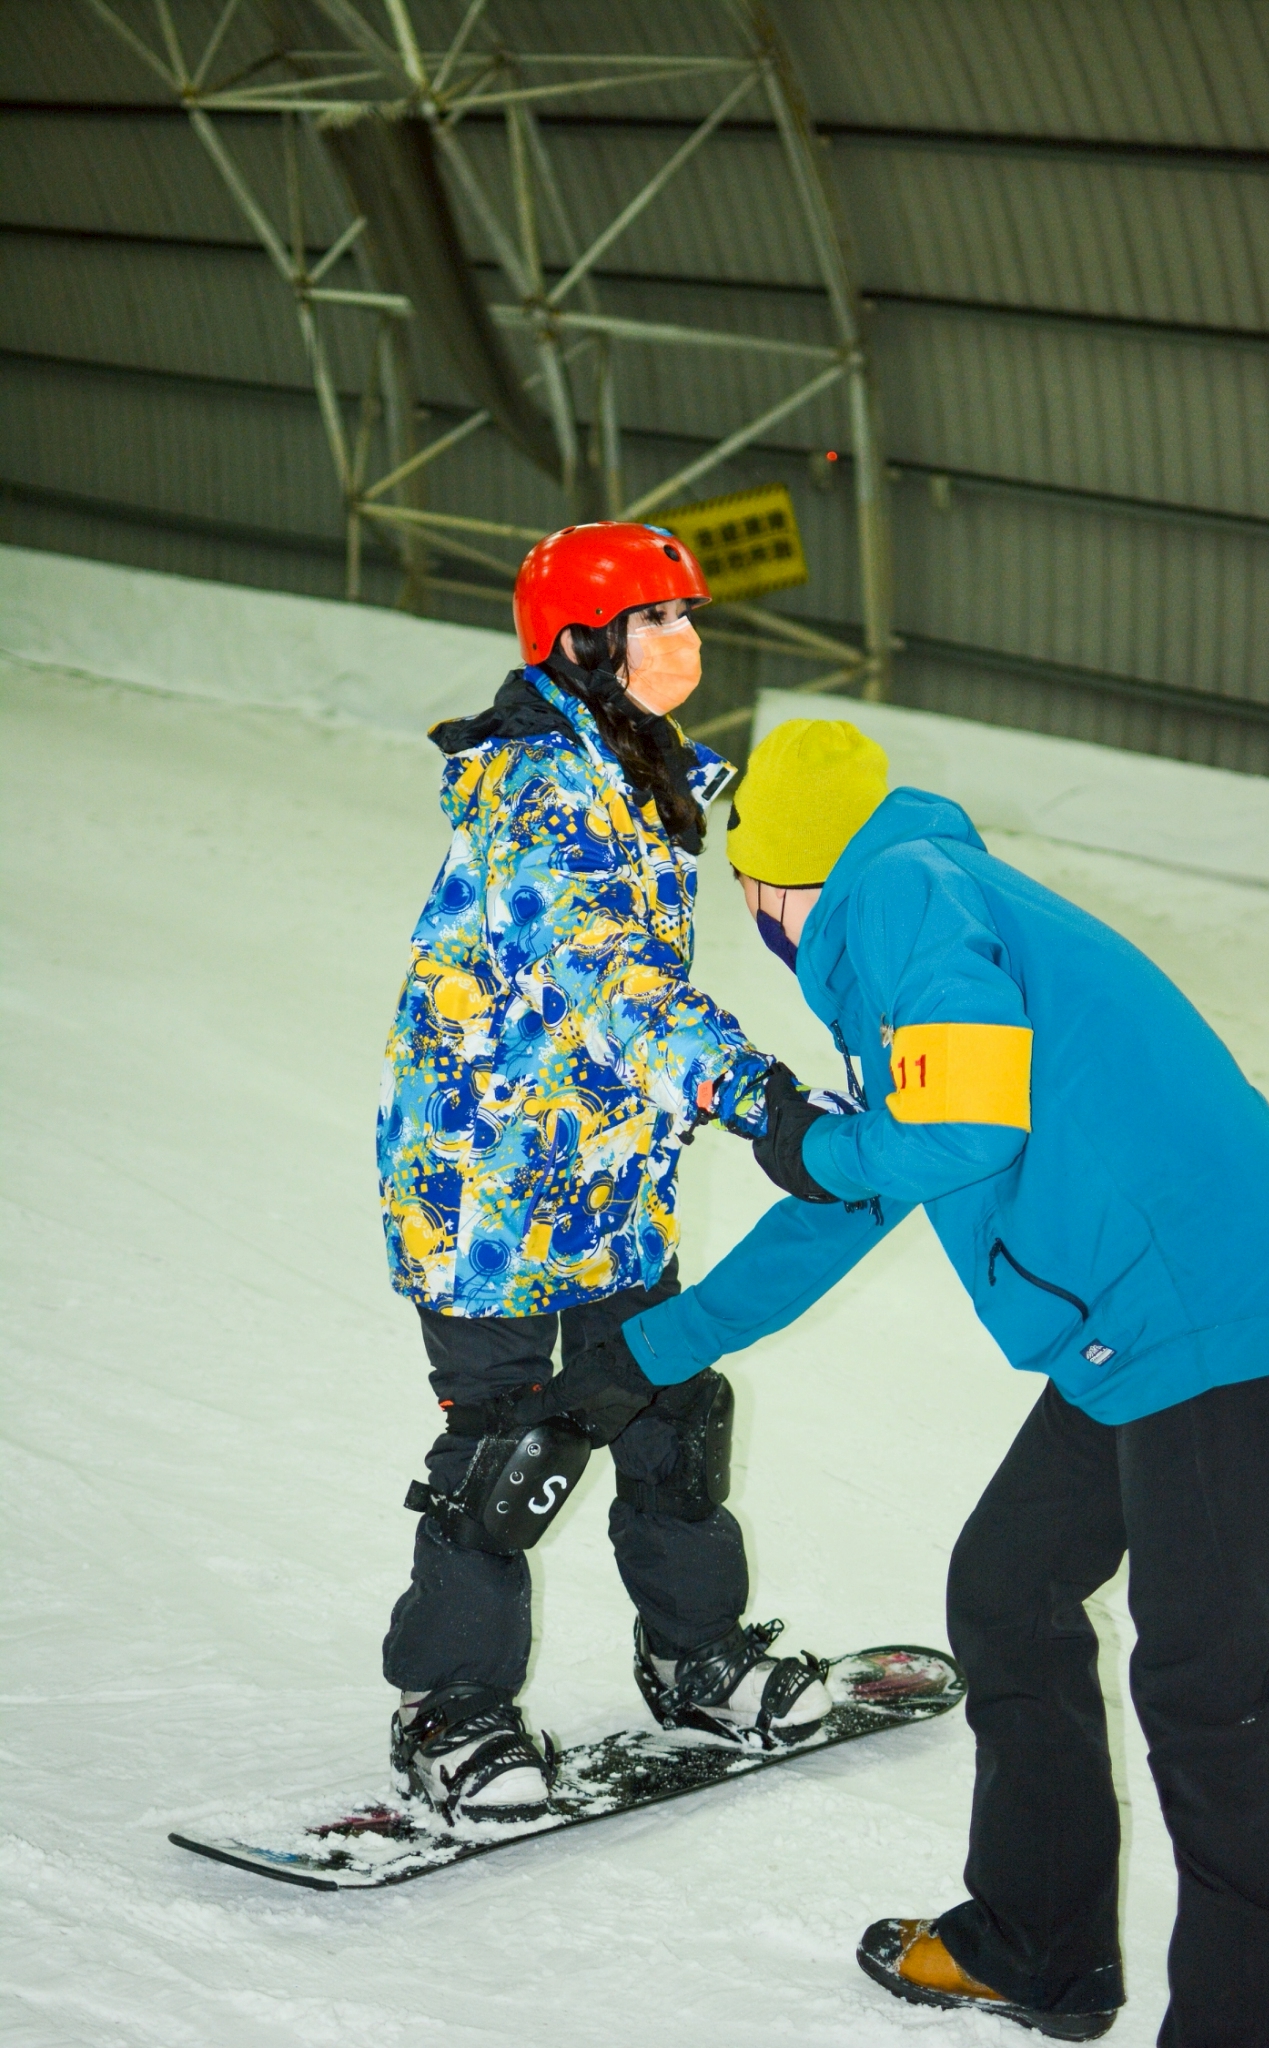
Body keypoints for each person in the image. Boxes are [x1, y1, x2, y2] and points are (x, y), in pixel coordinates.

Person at [534, 718, 1269, 2044]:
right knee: (1008, 1587)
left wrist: (823, 1149)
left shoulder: (902, 900)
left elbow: (934, 1138)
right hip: (1138, 1327)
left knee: (1204, 1692)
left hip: (1209, 1323)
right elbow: (864, 1186)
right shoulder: (917, 916)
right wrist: (644, 1356)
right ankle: (1038, 1948)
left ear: (771, 882)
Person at [376, 530, 832, 1827]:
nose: (688, 639)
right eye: (655, 617)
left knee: (669, 1413)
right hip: (485, 1179)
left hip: (607, 1174)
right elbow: (607, 983)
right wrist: (759, 1101)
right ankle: (450, 1707)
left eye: (690, 613)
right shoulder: (539, 791)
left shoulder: (641, 772)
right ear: (583, 644)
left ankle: (696, 1658)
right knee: (511, 1446)